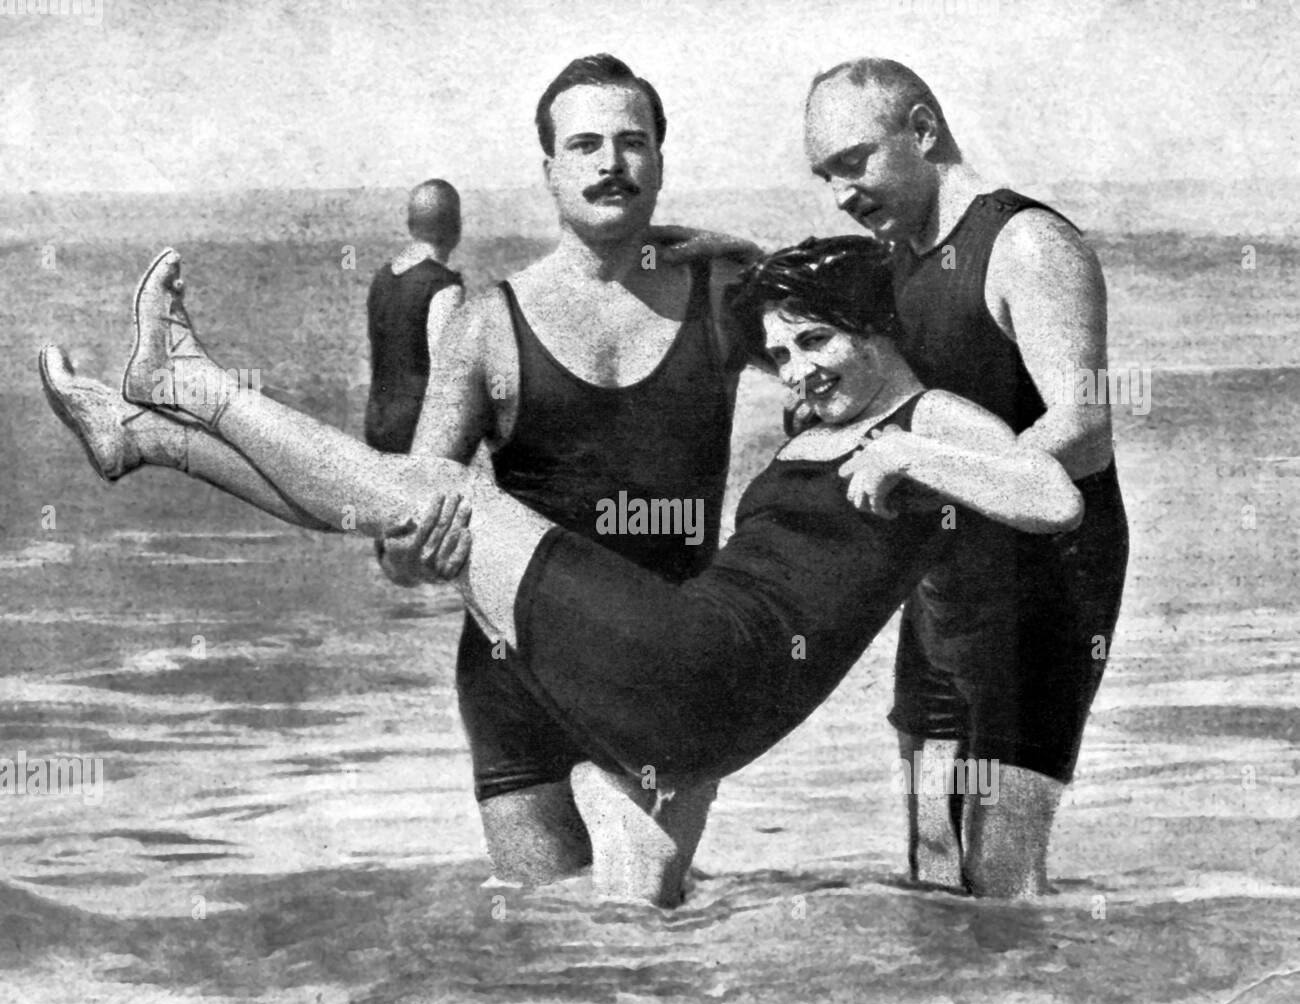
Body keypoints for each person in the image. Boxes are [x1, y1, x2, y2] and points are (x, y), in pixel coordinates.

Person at [39, 237, 1082, 905]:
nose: (800, 371)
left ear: (877, 332)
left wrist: (907, 454)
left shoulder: (927, 417)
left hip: (707, 666)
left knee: (443, 496)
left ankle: (191, 386)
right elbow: (786, 304)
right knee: (623, 938)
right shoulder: (828, 409)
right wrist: (719, 253)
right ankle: (147, 437)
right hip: (706, 704)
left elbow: (1053, 495)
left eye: (818, 342)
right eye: (785, 350)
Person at [378, 56, 747, 899]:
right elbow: (395, 540)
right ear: (549, 171)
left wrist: (752, 252)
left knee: (645, 927)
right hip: (518, 681)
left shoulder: (730, 300)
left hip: (665, 669)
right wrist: (414, 549)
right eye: (584, 145)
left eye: (632, 142)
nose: (610, 163)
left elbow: (863, 342)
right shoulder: (484, 326)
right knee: (550, 949)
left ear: (660, 159)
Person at [802, 58, 1129, 895]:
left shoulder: (1026, 243)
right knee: (931, 860)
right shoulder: (902, 255)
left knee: (1001, 877)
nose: (841, 192)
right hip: (945, 585)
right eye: (824, 175)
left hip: (1048, 586)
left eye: (853, 162)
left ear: (921, 130)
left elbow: (1085, 425)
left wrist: (918, 459)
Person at [364, 178, 464, 455]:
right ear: (456, 227)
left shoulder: (382, 278)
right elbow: (444, 377)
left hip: (378, 424)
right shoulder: (443, 286)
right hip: (416, 433)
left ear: (411, 226)